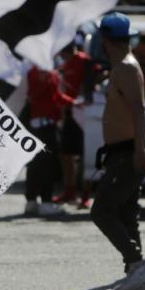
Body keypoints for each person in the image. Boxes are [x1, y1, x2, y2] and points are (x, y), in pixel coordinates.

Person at [89, 12, 145, 290]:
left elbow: (139, 110)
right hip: (121, 152)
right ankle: (134, 274)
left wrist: (139, 148)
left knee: (102, 210)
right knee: (127, 213)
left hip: (127, 153)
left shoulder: (126, 68)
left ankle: (137, 262)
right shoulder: (122, 67)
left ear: (105, 40)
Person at [24, 64, 76, 217]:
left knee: (41, 164)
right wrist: (46, 77)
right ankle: (41, 201)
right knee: (42, 165)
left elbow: (56, 96)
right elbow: (38, 94)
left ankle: (36, 201)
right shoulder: (36, 73)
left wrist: (73, 102)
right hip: (41, 125)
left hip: (44, 124)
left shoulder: (46, 72)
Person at [53, 42, 100, 207]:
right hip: (69, 111)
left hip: (82, 112)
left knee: (84, 154)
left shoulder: (84, 60)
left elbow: (93, 80)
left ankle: (85, 194)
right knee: (66, 154)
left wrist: (85, 98)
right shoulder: (63, 64)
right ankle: (69, 191)